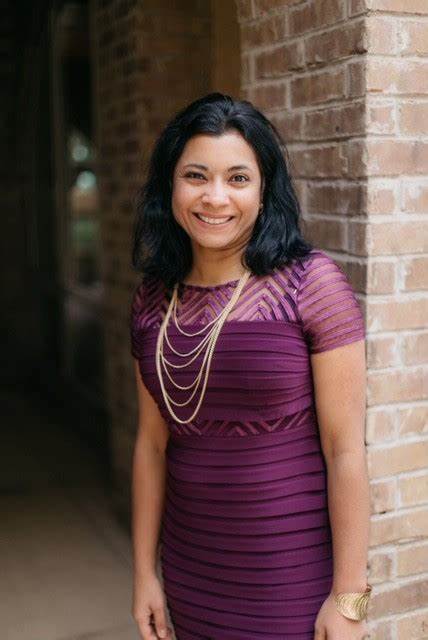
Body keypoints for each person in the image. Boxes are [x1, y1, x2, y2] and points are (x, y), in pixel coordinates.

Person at [129, 93, 371, 640]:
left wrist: (349, 598)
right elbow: (151, 444)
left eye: (238, 178)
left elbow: (345, 450)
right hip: (192, 572)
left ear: (264, 193)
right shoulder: (153, 300)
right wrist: (145, 573)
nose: (215, 197)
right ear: (171, 185)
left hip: (289, 575)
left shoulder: (311, 286)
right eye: (196, 175)